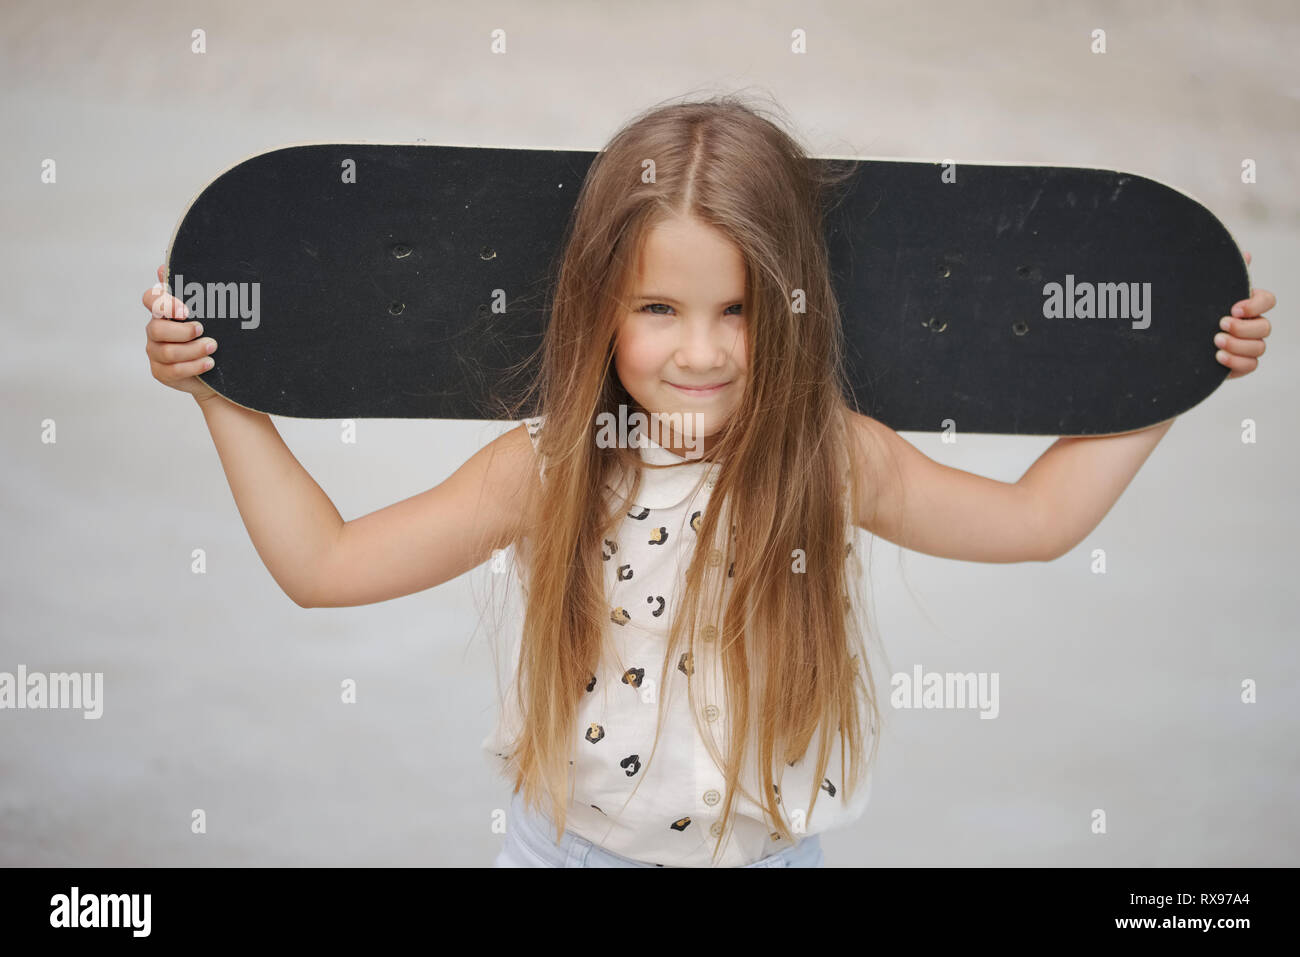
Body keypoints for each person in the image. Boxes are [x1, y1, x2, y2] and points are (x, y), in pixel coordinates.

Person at [141, 95, 1276, 868]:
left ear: (792, 305)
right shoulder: (549, 468)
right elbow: (324, 565)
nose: (702, 350)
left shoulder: (828, 455)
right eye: (658, 309)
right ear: (599, 308)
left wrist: (1176, 371)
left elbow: (1035, 521)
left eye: (736, 308)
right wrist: (220, 394)